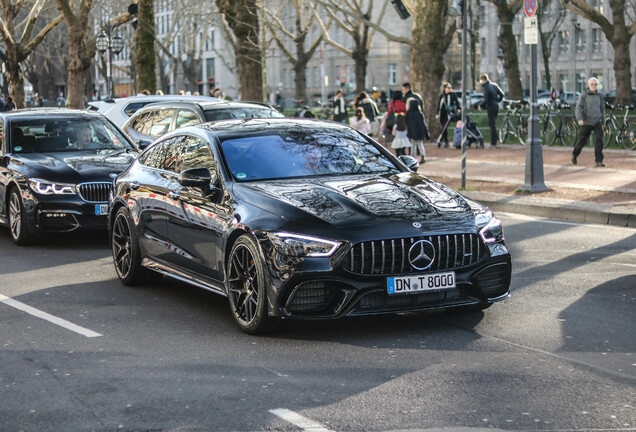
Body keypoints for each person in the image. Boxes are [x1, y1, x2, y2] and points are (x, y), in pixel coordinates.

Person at [572, 77, 605, 167]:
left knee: (599, 139)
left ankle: (599, 161)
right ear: (588, 85)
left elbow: (602, 109)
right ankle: (575, 155)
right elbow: (578, 107)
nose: (594, 86)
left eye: (595, 84)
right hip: (586, 122)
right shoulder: (584, 95)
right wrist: (580, 119)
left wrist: (603, 123)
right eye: (592, 84)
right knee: (582, 141)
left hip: (597, 121)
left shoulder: (600, 95)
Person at [477, 73, 504, 147]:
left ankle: (493, 142)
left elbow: (486, 99)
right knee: (492, 123)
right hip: (496, 106)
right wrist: (497, 101)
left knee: (492, 124)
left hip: (490, 107)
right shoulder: (494, 85)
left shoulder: (486, 87)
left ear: (482, 80)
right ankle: (496, 138)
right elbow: (502, 94)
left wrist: (480, 105)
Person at [435, 82, 461, 148]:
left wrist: (458, 108)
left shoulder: (453, 95)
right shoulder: (442, 96)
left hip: (449, 113)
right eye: (448, 88)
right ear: (444, 88)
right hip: (442, 114)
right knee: (443, 127)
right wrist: (437, 113)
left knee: (445, 126)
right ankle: (444, 141)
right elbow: (439, 105)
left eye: (450, 87)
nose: (450, 89)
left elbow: (457, 102)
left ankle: (442, 142)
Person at [406, 97, 429, 163]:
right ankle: (422, 156)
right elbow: (423, 123)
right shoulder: (420, 113)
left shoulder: (409, 113)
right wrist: (426, 133)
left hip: (412, 132)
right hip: (420, 131)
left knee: (413, 145)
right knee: (420, 144)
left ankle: (412, 157)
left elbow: (407, 123)